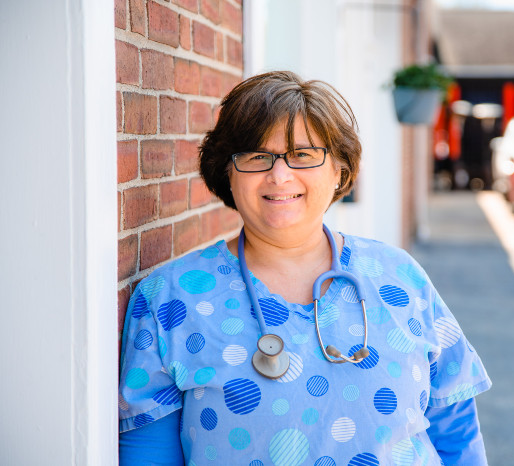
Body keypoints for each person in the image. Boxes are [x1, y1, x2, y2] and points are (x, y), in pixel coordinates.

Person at [118, 71, 492, 465]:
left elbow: (457, 435)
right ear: (228, 172)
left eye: (303, 154)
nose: (280, 175)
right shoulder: (170, 299)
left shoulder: (401, 275)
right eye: (257, 156)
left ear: (339, 171)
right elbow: (149, 455)